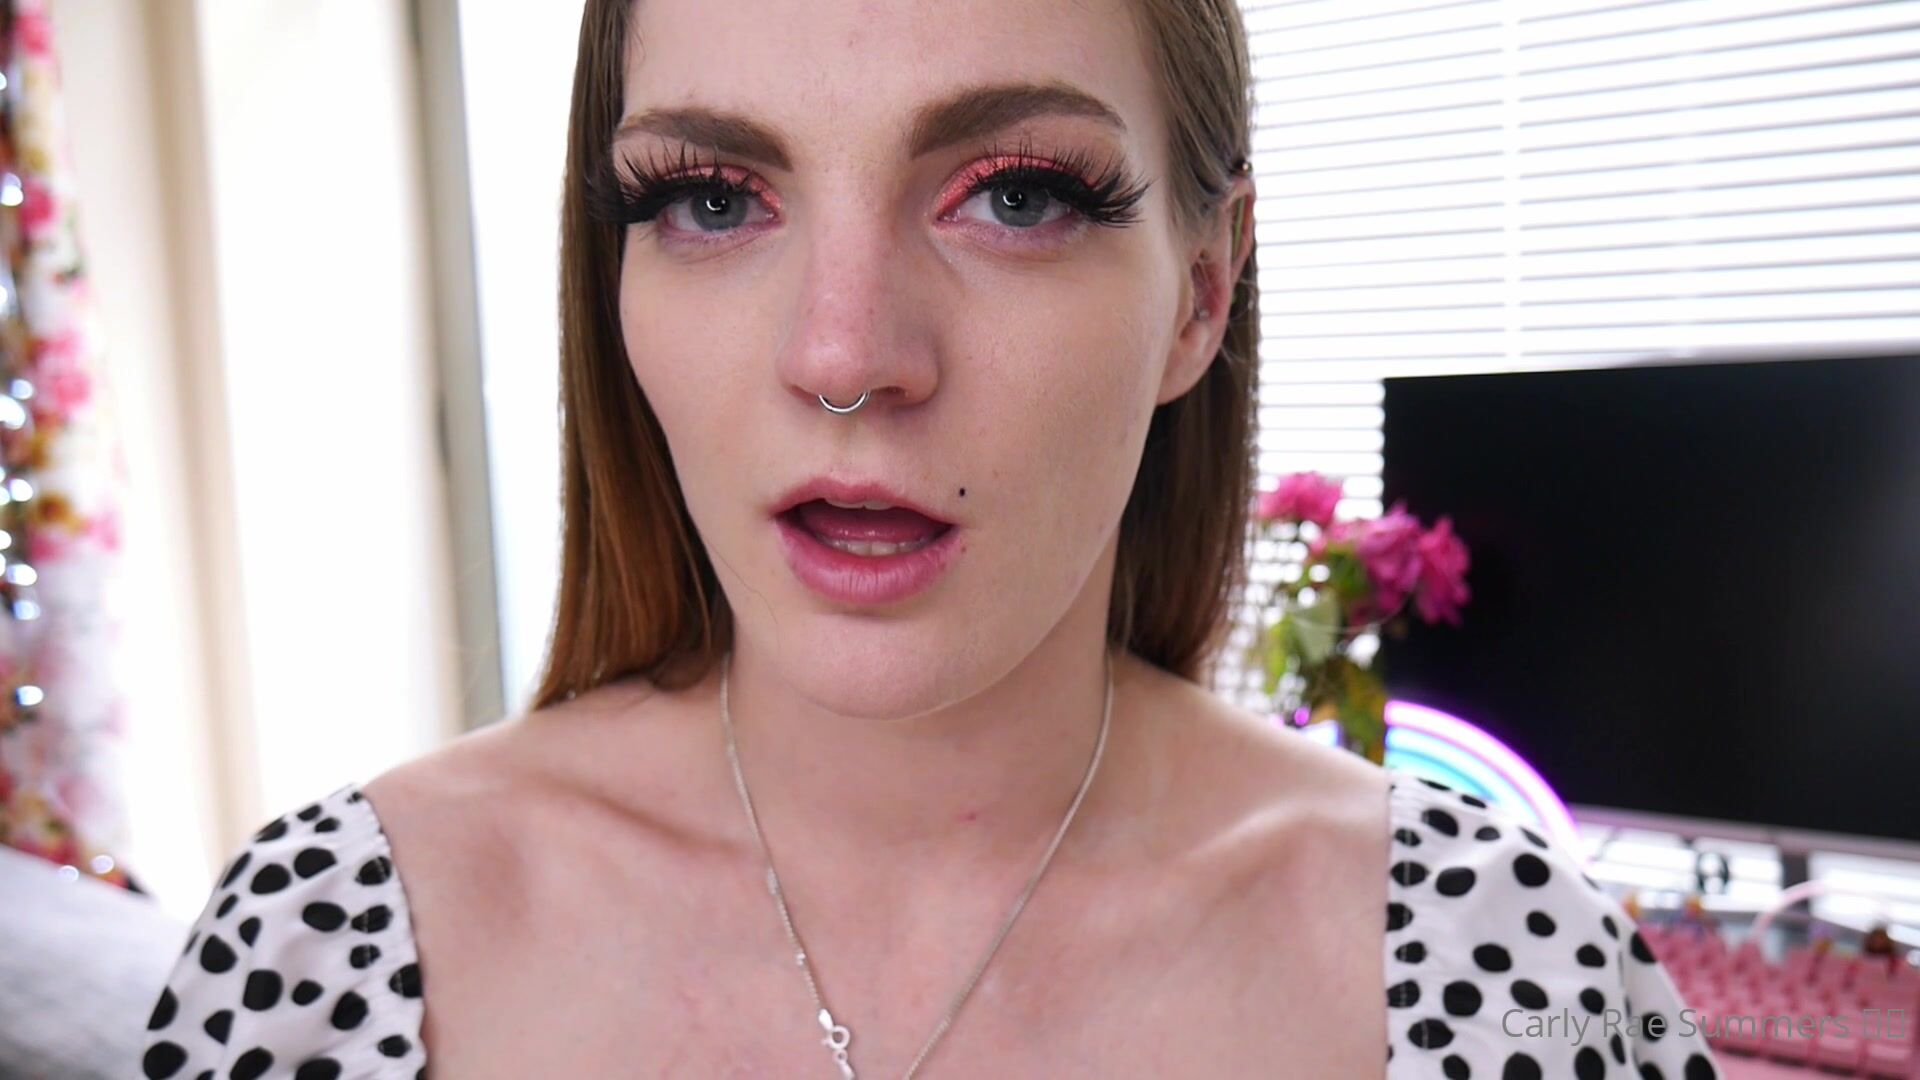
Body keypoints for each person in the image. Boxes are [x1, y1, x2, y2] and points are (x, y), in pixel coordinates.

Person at [140, 0, 1725, 1076]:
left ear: (1202, 290)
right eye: (710, 199)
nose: (843, 356)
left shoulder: (1508, 969)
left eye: (1017, 196)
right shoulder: (326, 953)